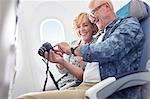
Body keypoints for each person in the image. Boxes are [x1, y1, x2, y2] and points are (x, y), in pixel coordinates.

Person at [17, 0, 145, 99]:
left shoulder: (128, 24)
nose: (92, 19)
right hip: (85, 86)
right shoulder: (103, 35)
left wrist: (72, 50)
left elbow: (109, 50)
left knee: (25, 98)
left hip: (103, 89)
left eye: (93, 13)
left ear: (106, 6)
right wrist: (60, 60)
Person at [56, 12, 98, 89]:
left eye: (85, 25)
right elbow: (63, 71)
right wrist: (59, 59)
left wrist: (79, 58)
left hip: (77, 85)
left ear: (93, 27)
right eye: (78, 27)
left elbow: (87, 75)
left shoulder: (96, 45)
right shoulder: (73, 44)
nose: (81, 29)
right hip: (63, 83)